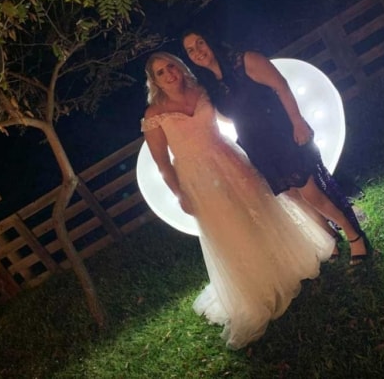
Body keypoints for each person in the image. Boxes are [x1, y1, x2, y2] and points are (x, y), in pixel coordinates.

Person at [141, 51, 335, 350]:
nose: (169, 73)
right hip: (198, 179)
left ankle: (285, 265)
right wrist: (180, 193)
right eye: (160, 72)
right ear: (154, 81)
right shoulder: (154, 116)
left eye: (171, 66)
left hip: (232, 160)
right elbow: (162, 163)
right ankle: (256, 289)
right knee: (232, 230)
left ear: (180, 67)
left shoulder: (203, 90)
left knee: (263, 212)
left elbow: (234, 114)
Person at [181, 30, 371, 265]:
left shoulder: (245, 60)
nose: (198, 51)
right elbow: (227, 116)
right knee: (293, 195)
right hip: (256, 145)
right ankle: (329, 237)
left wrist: (298, 122)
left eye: (200, 42)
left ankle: (355, 236)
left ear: (210, 40)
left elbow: (281, 86)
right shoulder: (210, 85)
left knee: (311, 192)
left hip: (283, 133)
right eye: (191, 50)